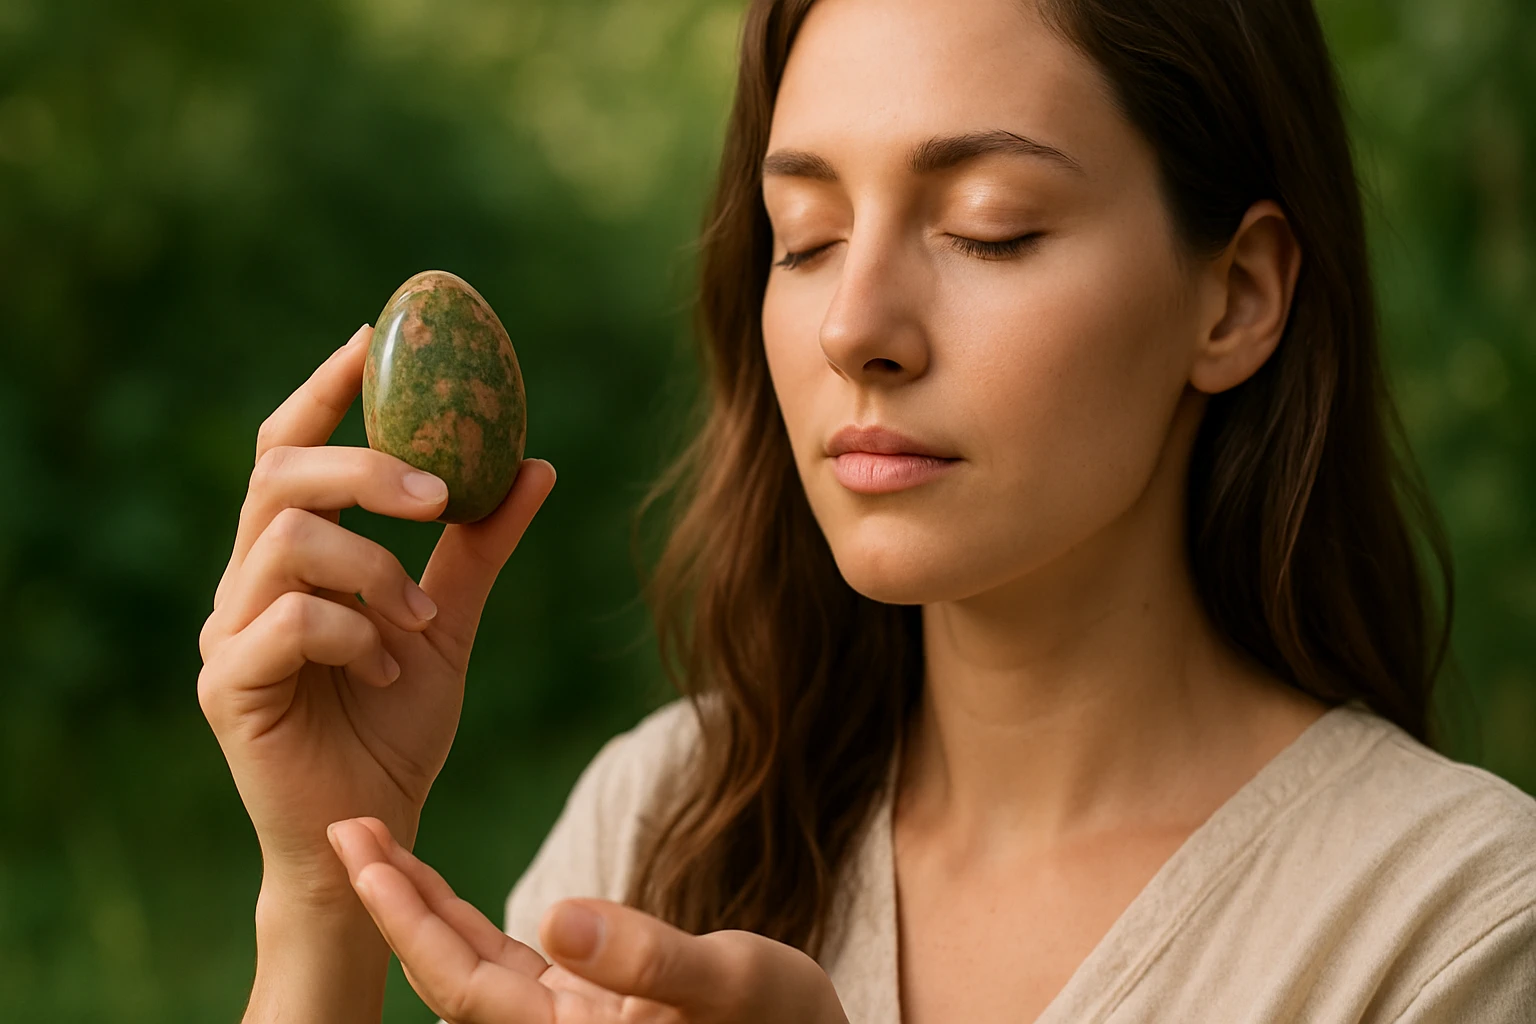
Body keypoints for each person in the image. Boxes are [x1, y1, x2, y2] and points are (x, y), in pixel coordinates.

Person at [197, 0, 1536, 1021]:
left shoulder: (1453, 927)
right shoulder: (664, 822)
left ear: (1235, 294)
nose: (856, 327)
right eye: (808, 237)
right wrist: (323, 893)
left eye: (991, 226)